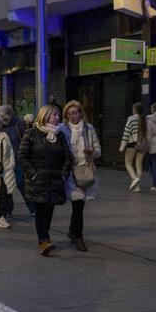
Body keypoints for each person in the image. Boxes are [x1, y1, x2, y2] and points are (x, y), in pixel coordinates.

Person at [18, 104, 71, 256]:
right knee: (41, 211)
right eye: (54, 115)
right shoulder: (32, 133)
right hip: (38, 181)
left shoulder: (59, 135)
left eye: (58, 115)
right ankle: (44, 240)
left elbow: (67, 157)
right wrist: (33, 174)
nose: (57, 118)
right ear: (45, 115)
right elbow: (22, 157)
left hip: (55, 180)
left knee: (49, 210)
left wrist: (63, 174)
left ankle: (44, 239)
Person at [62, 100, 99, 252]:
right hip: (70, 172)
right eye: (69, 114)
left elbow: (98, 149)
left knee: (79, 205)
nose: (73, 116)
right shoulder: (62, 130)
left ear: (80, 113)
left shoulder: (88, 128)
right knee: (77, 203)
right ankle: (78, 236)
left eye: (75, 113)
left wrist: (92, 151)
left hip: (84, 171)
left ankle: (73, 231)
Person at [0, 105, 32, 218]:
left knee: (22, 184)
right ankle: (8, 209)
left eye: (4, 117)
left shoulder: (18, 123)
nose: (3, 119)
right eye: (0, 117)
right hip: (4, 161)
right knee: (6, 186)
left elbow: (26, 138)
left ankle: (32, 208)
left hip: (18, 159)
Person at [119, 103, 147, 192]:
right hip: (142, 145)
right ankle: (136, 186)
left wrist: (122, 147)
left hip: (132, 144)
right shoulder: (145, 119)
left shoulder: (131, 119)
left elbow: (126, 132)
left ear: (134, 110)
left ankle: (135, 179)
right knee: (138, 164)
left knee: (128, 163)